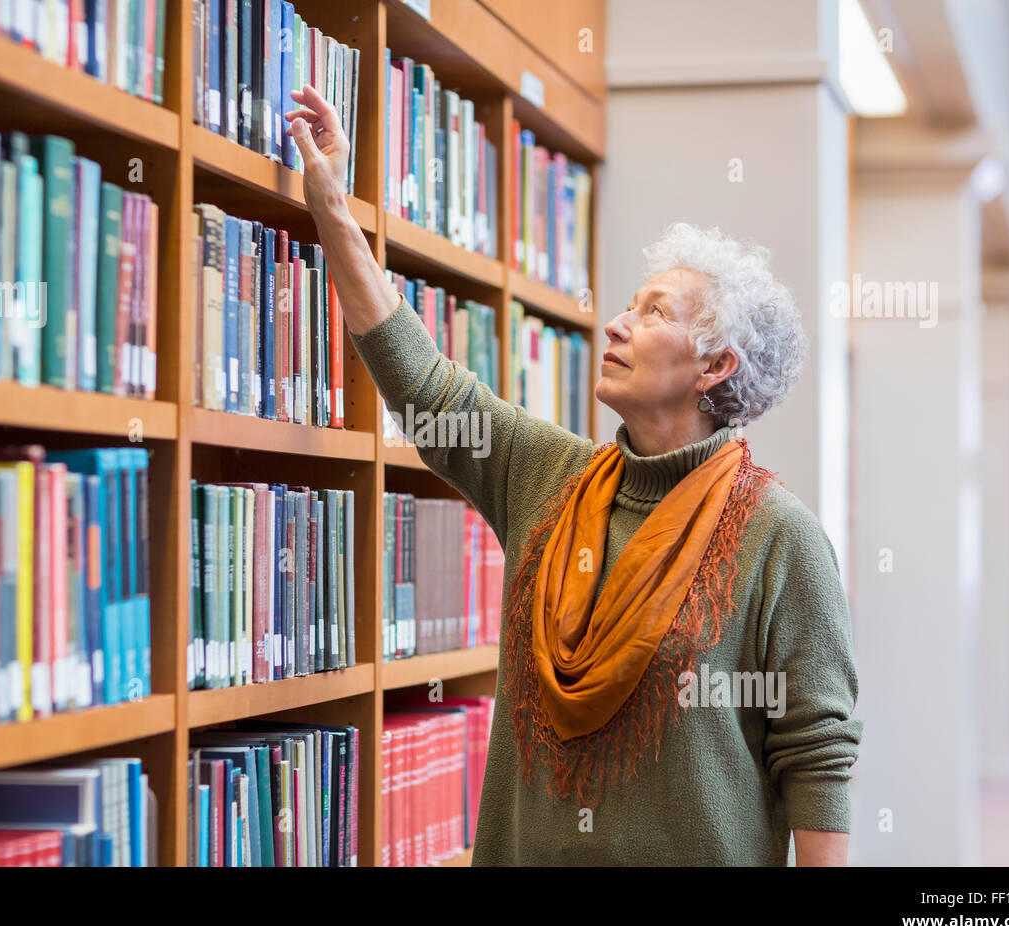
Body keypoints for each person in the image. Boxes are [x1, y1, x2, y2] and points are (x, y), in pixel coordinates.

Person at [285, 85, 863, 866]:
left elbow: (817, 756)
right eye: (627, 305)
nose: (618, 323)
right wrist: (331, 204)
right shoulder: (545, 473)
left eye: (655, 312)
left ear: (716, 365)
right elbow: (419, 384)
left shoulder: (779, 535)